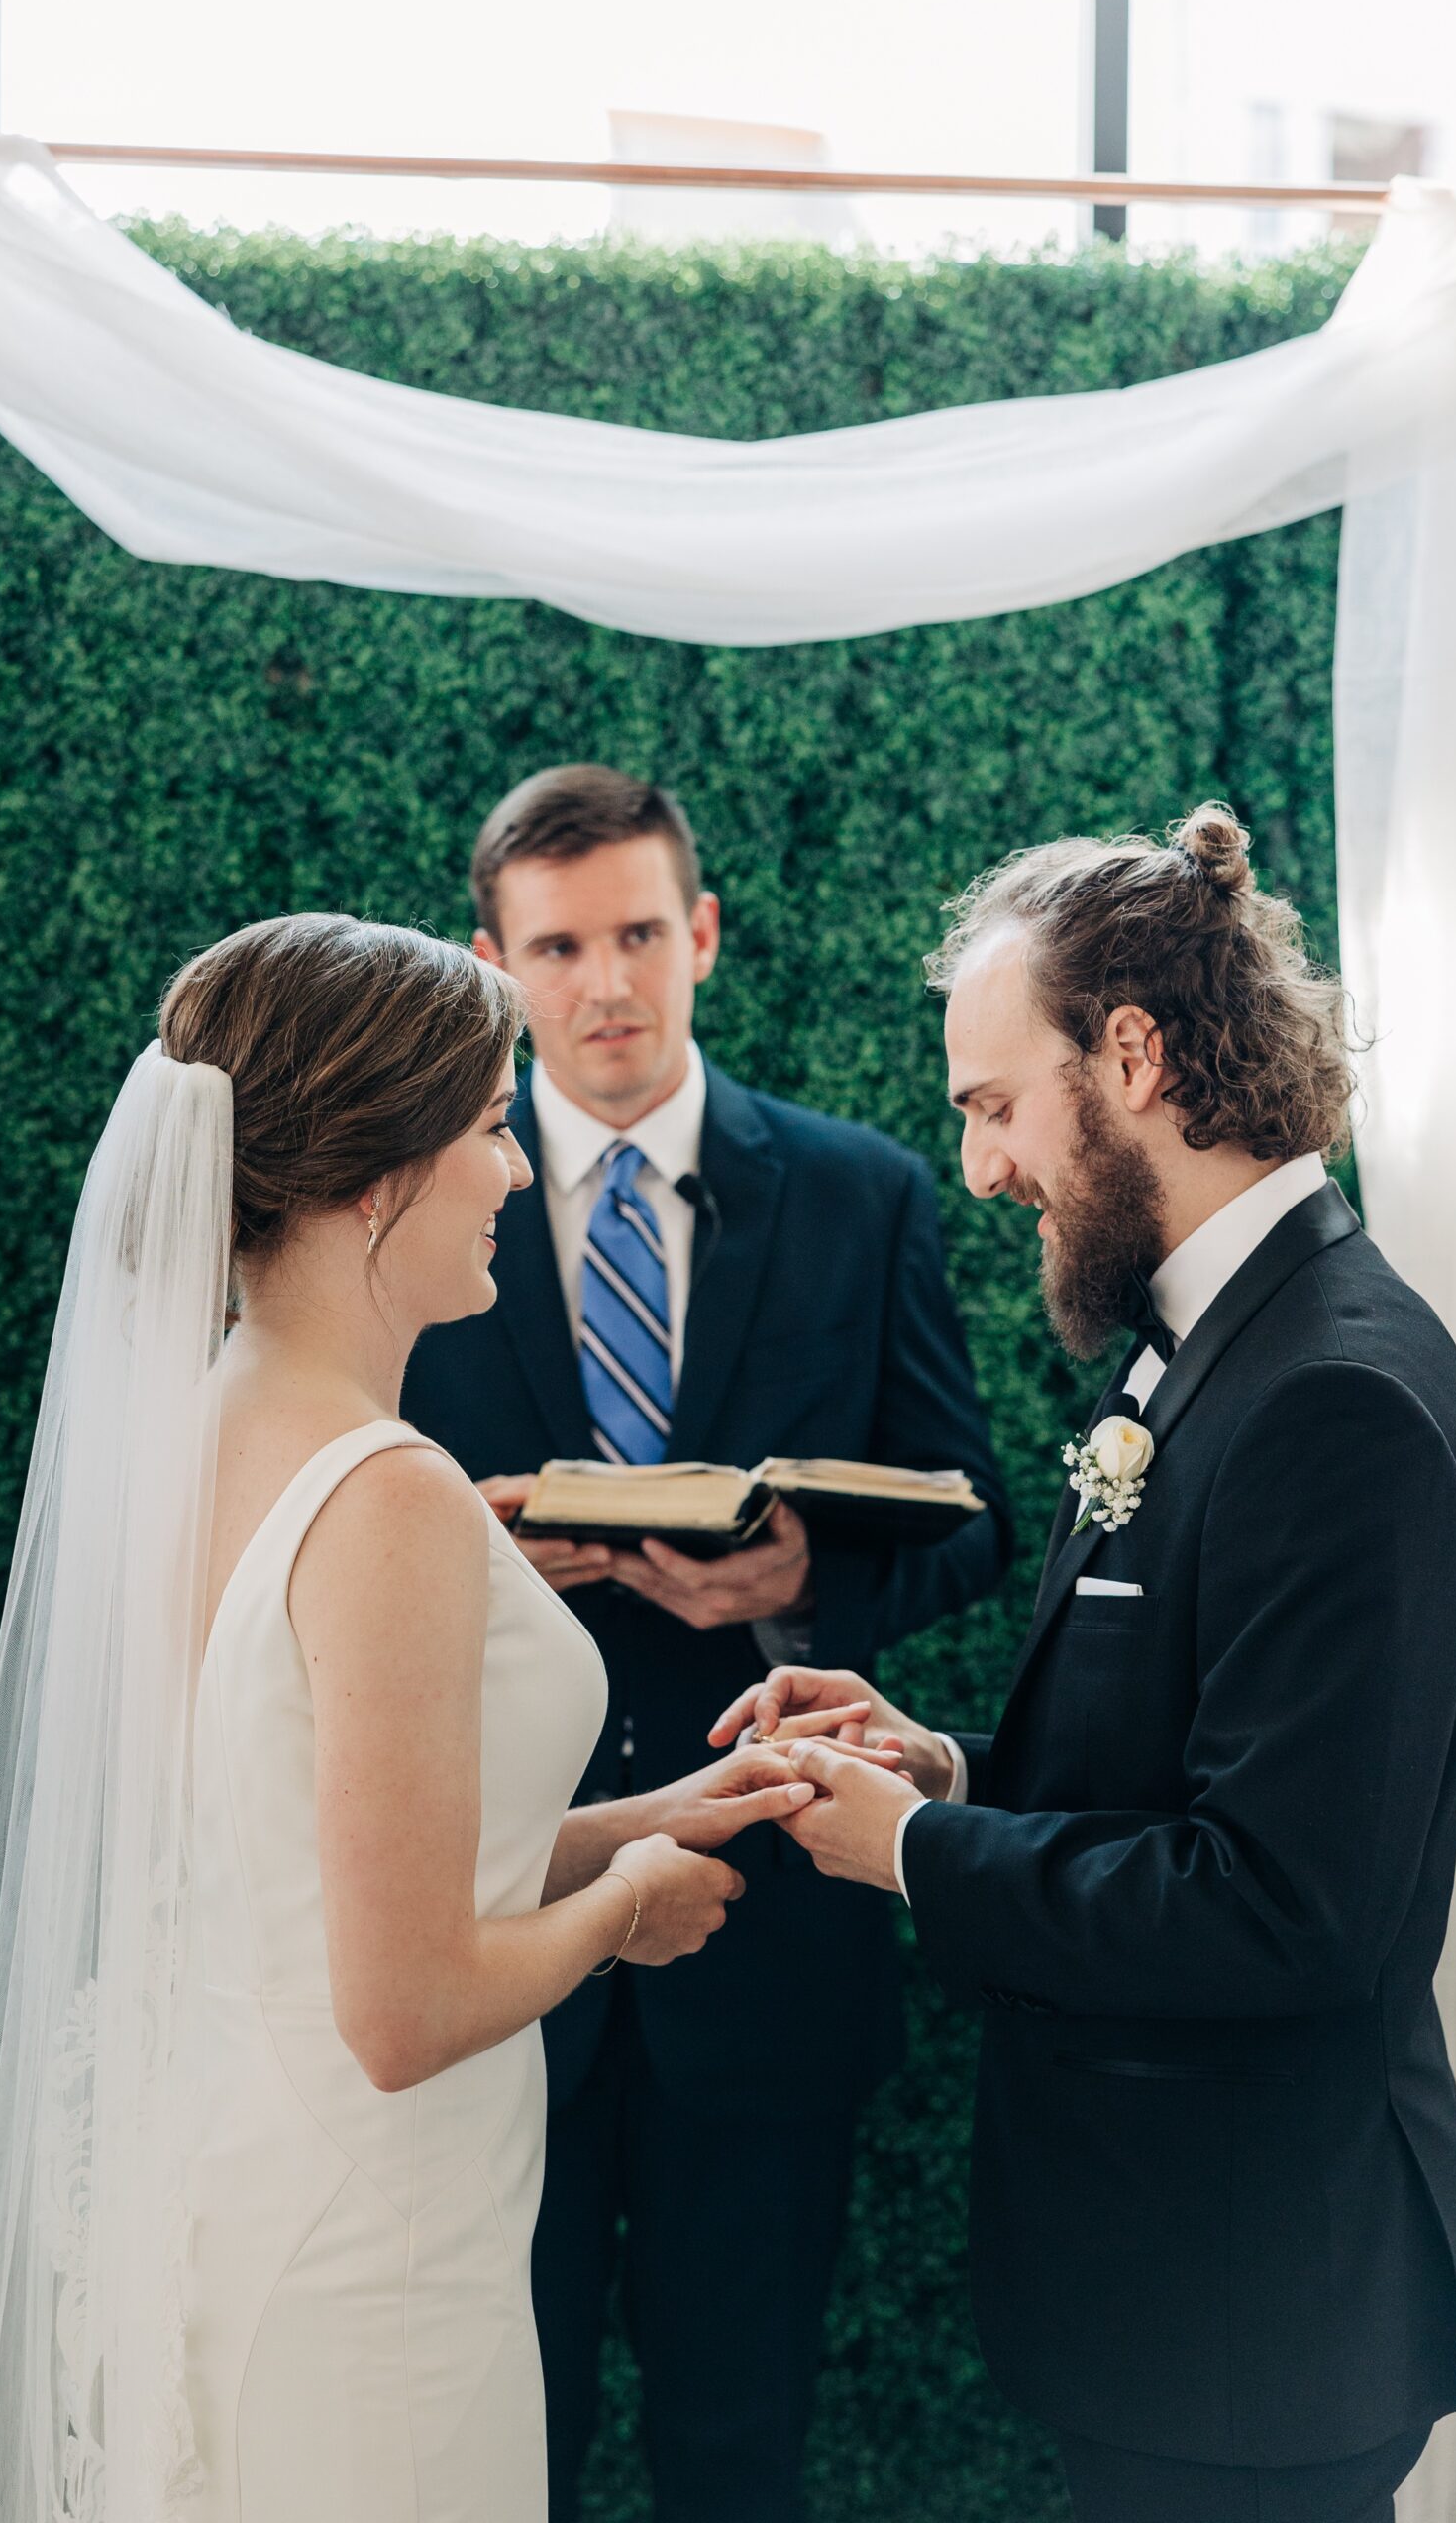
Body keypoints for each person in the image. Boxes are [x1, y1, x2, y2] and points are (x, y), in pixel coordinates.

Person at [0, 912, 830, 2523]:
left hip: (250, 2186)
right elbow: (404, 2010)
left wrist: (678, 1809)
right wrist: (629, 1909)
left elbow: (327, 1858)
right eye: (485, 1128)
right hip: (373, 2248)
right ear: (379, 1177)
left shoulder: (214, 1416)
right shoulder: (386, 1496)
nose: (520, 1171)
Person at [719, 804, 1456, 2523]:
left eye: (996, 1106)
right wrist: (947, 1771)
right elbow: (1180, 1768)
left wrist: (916, 1856)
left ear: (1131, 1054)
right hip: (1176, 2297)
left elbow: (1282, 1904)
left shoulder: (1334, 1394)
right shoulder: (1223, 1344)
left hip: (1252, 2315)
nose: (983, 1168)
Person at [402, 766, 1011, 2523]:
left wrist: (803, 1586)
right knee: (483, 2452)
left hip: (771, 1943)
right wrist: (491, 1559)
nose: (607, 984)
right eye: (562, 945)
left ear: (705, 936)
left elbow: (972, 1512)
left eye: (641, 936)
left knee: (736, 2453)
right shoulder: (422, 1197)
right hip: (484, 1933)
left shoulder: (858, 1189)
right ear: (492, 961)